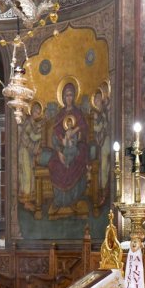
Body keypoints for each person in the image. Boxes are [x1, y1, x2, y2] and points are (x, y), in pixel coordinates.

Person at [45, 80, 92, 217]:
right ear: (63, 98)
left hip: (77, 146)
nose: (69, 98)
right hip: (62, 148)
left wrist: (74, 131)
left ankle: (73, 199)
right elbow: (55, 134)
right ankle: (60, 200)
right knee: (55, 163)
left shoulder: (78, 112)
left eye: (71, 95)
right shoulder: (60, 114)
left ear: (74, 96)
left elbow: (84, 128)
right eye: (66, 95)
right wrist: (59, 151)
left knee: (76, 161)